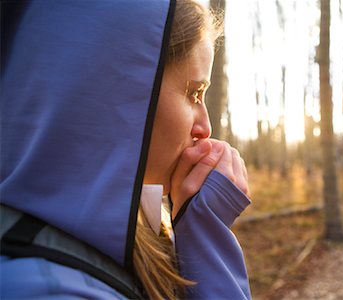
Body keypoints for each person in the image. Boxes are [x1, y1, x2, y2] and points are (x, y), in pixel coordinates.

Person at [0, 0, 252, 299]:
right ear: (118, 90)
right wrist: (208, 241)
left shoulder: (134, 232)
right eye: (193, 93)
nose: (204, 127)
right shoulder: (45, 289)